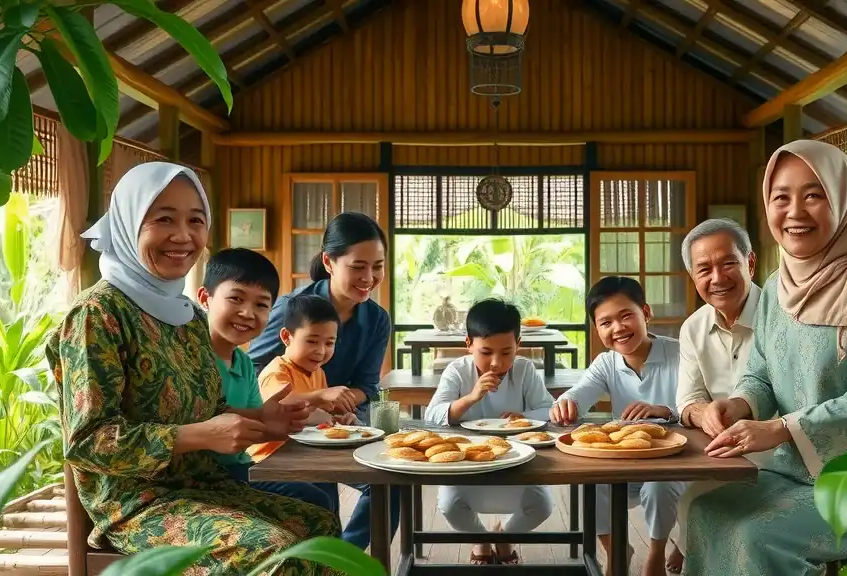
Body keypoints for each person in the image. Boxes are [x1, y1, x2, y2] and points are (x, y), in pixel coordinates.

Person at [46, 162, 340, 575]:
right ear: (129, 224)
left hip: (203, 487)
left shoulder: (188, 317)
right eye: (163, 218)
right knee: (269, 550)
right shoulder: (99, 314)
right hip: (138, 504)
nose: (183, 236)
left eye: (196, 220)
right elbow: (88, 440)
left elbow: (213, 413)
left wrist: (264, 419)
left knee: (318, 527)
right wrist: (200, 435)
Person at [682, 140, 847, 575]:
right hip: (798, 472)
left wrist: (780, 428)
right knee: (706, 513)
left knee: (754, 535)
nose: (795, 212)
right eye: (780, 197)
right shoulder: (776, 285)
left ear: (843, 198)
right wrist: (739, 405)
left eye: (814, 195)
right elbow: (761, 373)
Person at [247, 211, 399, 550]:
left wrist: (341, 403)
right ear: (329, 262)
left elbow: (368, 386)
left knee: (390, 481)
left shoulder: (377, 319)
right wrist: (318, 397)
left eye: (378, 266)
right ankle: (332, 560)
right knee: (320, 493)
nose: (370, 277)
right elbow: (252, 373)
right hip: (286, 421)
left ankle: (346, 559)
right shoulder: (293, 308)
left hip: (342, 419)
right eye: (358, 267)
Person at [549, 277, 685, 576]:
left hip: (679, 461)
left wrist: (665, 411)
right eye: (605, 322)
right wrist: (566, 403)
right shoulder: (606, 363)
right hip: (625, 459)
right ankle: (616, 549)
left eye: (626, 316)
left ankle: (657, 553)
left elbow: (704, 405)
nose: (618, 329)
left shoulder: (681, 354)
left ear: (646, 313)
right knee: (590, 482)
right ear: (597, 329)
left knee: (659, 488)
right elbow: (579, 394)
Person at [196, 248, 336, 514]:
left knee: (318, 499)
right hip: (203, 478)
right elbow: (203, 418)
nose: (248, 313)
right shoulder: (193, 357)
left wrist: (281, 424)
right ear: (205, 298)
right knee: (313, 503)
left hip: (239, 468)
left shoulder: (246, 365)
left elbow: (255, 429)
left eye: (261, 304)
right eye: (236, 298)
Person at [423, 299, 555, 566]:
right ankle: (481, 538)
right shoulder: (457, 371)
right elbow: (432, 416)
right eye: (486, 352)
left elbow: (548, 410)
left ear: (519, 344)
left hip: (517, 461)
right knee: (450, 506)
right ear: (468, 344)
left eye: (507, 352)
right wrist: (471, 397)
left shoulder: (525, 370)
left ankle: (504, 536)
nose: (496, 362)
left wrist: (524, 418)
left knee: (541, 507)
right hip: (466, 463)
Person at [668, 219, 764, 572]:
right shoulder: (693, 327)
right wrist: (702, 412)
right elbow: (687, 400)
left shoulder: (782, 316)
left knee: (734, 526)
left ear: (750, 264)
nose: (717, 278)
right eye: (704, 269)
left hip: (781, 452)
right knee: (692, 503)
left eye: (728, 264)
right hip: (722, 455)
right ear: (693, 277)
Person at [248, 293, 359, 466]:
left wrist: (339, 420)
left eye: (329, 343)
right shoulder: (276, 372)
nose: (321, 351)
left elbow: (320, 413)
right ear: (286, 337)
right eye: (312, 341)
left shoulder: (317, 372)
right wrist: (320, 395)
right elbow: (281, 404)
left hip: (304, 453)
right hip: (270, 459)